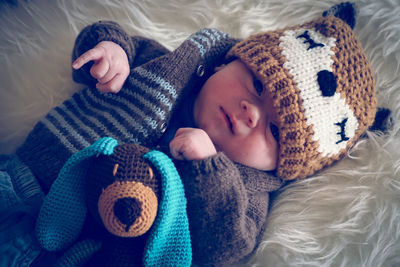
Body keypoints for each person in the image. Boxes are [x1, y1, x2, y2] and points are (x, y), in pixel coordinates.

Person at [3, 2, 378, 266]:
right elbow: (118, 42)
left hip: (86, 253)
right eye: (258, 87)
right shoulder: (170, 66)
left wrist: (209, 169)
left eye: (276, 131)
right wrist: (110, 51)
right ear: (232, 59)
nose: (251, 113)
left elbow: (226, 248)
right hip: (23, 183)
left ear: (280, 165)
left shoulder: (244, 192)